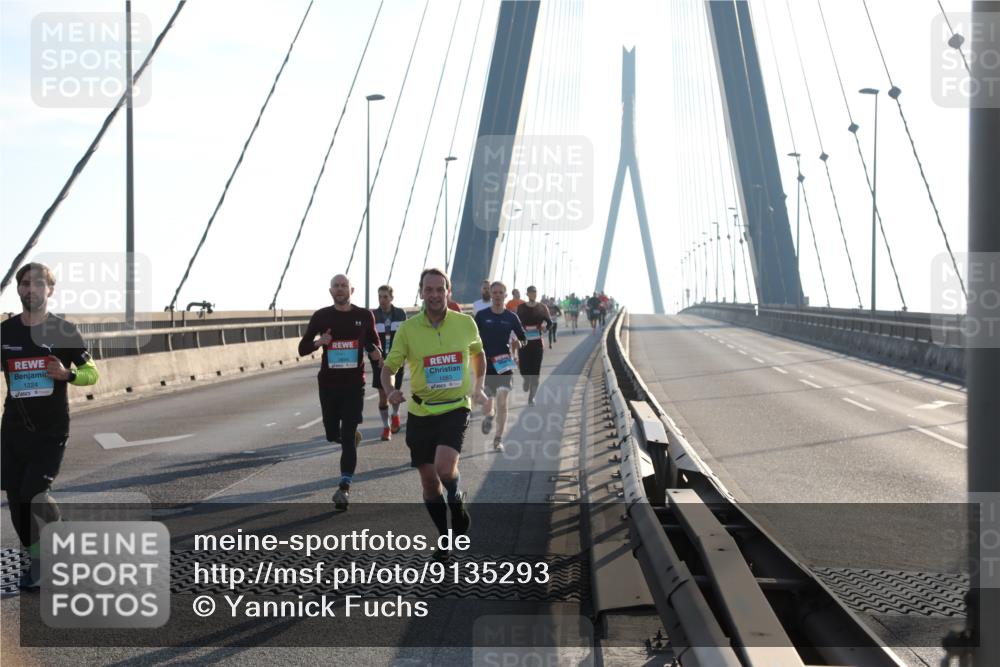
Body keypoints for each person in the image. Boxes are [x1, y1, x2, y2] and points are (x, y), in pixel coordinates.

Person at [2, 263, 99, 590]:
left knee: (34, 494)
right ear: (19, 289)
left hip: (51, 431)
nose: (31, 290)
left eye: (38, 285)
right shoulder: (5, 332)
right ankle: (40, 560)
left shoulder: (65, 331)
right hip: (13, 429)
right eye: (25, 284)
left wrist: (67, 375)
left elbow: (92, 375)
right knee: (16, 501)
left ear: (50, 290)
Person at [382, 268, 487, 559]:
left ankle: (456, 497)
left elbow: (478, 354)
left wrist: (478, 386)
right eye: (429, 290)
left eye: (440, 289)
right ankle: (444, 537)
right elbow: (389, 367)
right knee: (429, 482)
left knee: (444, 468)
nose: (435, 295)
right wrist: (390, 390)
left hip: (455, 407)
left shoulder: (466, 324)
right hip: (420, 411)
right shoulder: (408, 329)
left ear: (448, 292)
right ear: (421, 292)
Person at [298, 274, 381, 511]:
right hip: (328, 384)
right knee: (332, 434)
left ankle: (344, 487)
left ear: (351, 290)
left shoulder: (364, 316)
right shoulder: (322, 316)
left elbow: (375, 345)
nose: (340, 289)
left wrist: (376, 354)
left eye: (344, 286)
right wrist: (319, 341)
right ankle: (349, 438)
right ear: (330, 291)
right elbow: (302, 348)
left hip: (355, 385)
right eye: (336, 286)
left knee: (347, 435)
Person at [474, 281, 527, 452]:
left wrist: (518, 344)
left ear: (505, 295)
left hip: (504, 364)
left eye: (500, 293)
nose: (497, 296)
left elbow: (523, 338)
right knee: (488, 406)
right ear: (490, 294)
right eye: (494, 292)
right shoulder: (481, 316)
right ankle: (490, 416)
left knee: (502, 402)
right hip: (486, 365)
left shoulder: (511, 317)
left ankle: (498, 439)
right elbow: (472, 338)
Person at [371, 285, 407, 441]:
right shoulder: (372, 315)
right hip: (378, 361)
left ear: (392, 298)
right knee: (383, 395)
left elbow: (406, 337)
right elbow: (369, 339)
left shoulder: (400, 314)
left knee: (395, 391)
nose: (382, 300)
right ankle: (386, 427)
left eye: (385, 296)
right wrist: (376, 356)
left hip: (397, 359)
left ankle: (395, 414)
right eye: (380, 296)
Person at [516, 286, 552, 406]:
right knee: (523, 369)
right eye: (531, 292)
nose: (533, 294)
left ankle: (531, 398)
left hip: (537, 344)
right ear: (527, 294)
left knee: (535, 372)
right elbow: (516, 323)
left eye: (535, 292)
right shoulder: (521, 308)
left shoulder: (542, 307)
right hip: (524, 343)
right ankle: (526, 380)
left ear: (536, 294)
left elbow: (550, 323)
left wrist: (545, 328)